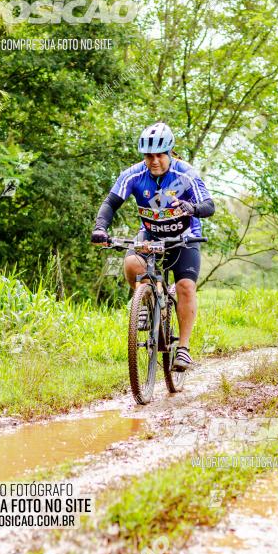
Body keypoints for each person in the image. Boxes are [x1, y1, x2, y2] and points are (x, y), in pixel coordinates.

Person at [91, 122, 215, 371]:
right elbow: (111, 203)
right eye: (149, 156)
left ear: (169, 153)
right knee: (131, 263)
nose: (154, 160)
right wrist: (100, 228)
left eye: (159, 155)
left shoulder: (185, 174)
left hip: (184, 236)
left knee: (185, 286)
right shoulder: (133, 174)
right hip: (151, 234)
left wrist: (191, 208)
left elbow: (209, 206)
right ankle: (148, 299)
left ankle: (183, 349)